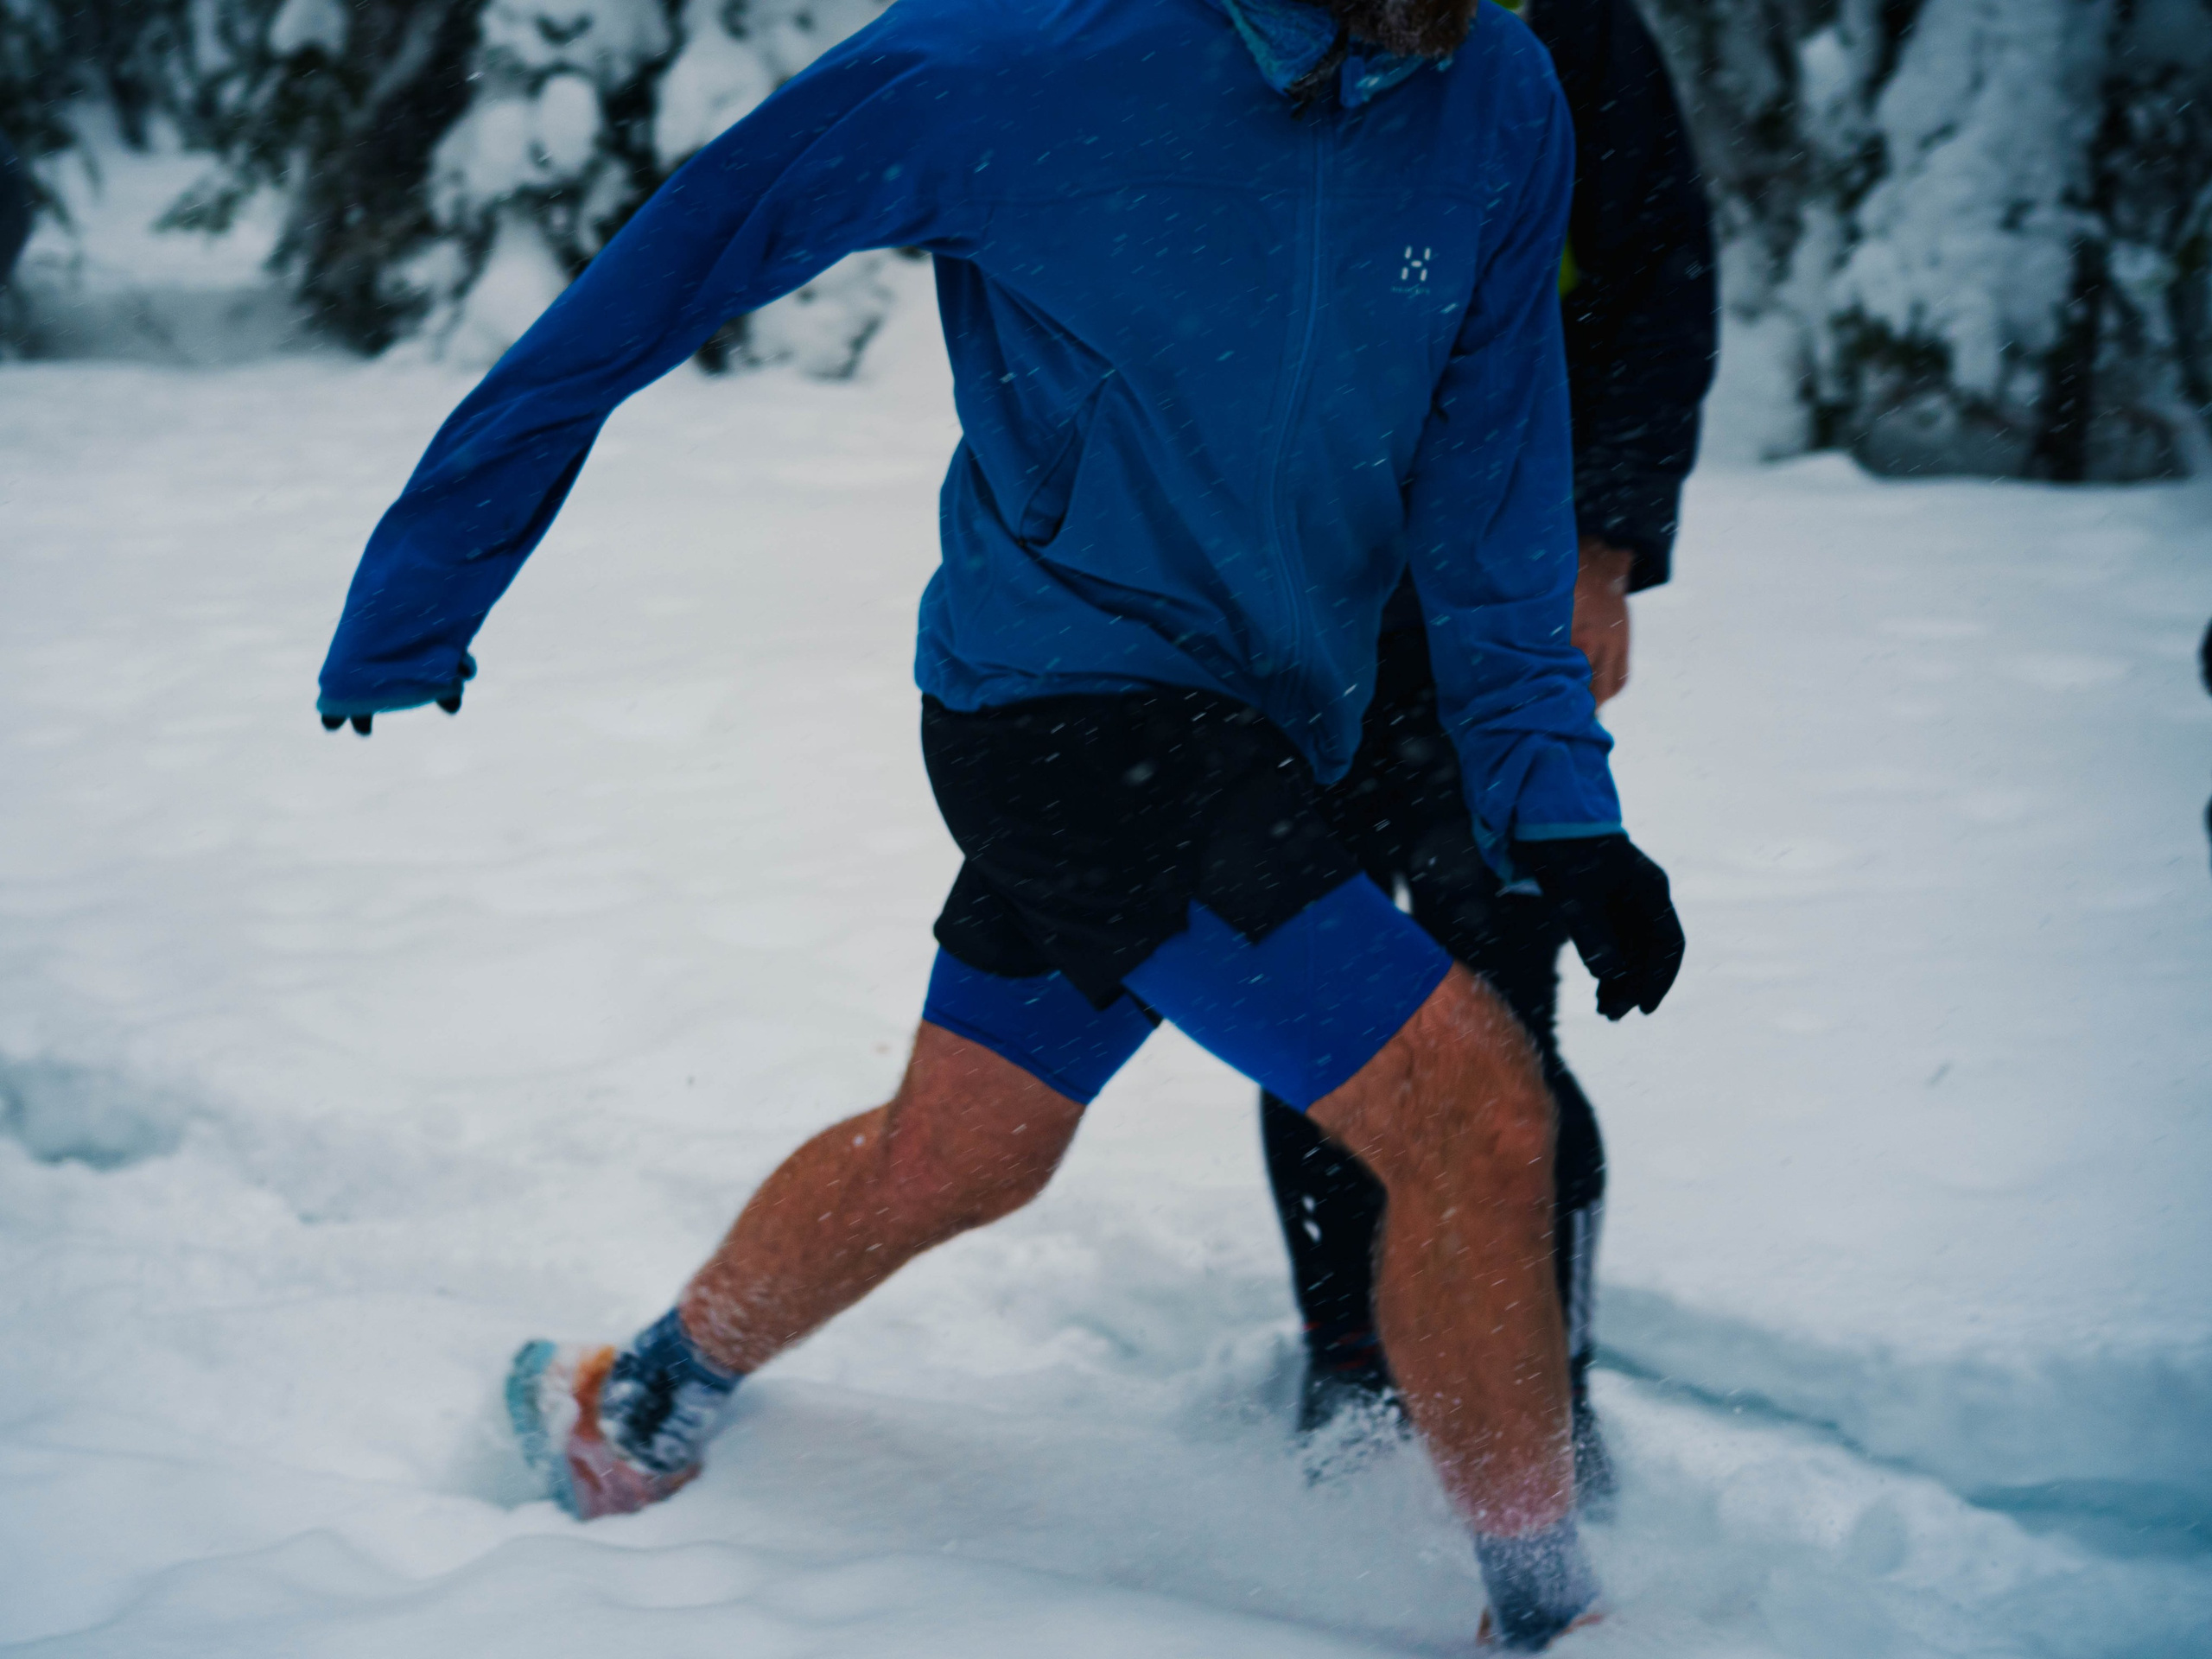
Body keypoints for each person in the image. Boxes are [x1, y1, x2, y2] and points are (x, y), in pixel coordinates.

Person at [312, 0, 1686, 1646]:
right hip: (1060, 709)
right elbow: (664, 274)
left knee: (963, 1150)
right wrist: (424, 586)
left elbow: (1493, 502)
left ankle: (643, 1399)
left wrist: (1561, 806)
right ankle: (1550, 1620)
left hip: (1275, 716)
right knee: (1473, 1118)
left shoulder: (1500, 91)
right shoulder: (1020, 55)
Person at [1258, 0, 1716, 1506]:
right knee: (1324, 1013)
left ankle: (1547, 1382)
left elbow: (1659, 278)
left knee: (1503, 1009)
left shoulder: (1567, 29)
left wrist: (1603, 545)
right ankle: (1349, 1362)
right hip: (1296, 604)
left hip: (1496, 611)